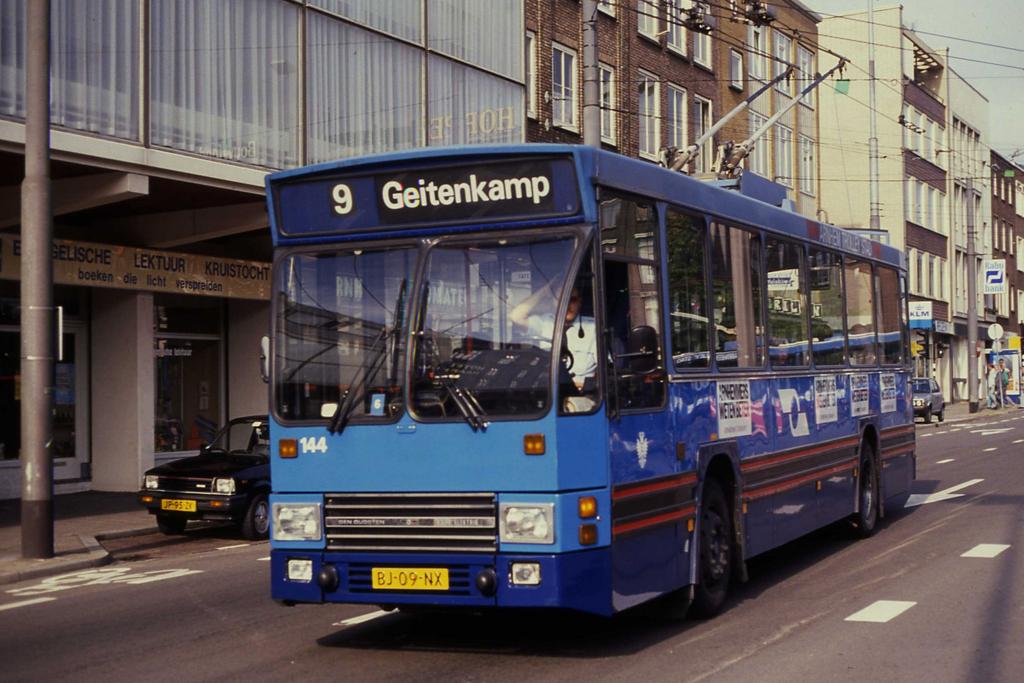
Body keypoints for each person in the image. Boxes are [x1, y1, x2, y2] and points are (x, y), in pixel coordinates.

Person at [511, 281, 598, 411]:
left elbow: (605, 372)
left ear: (580, 301)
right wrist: (547, 288)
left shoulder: (593, 328)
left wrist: (586, 385)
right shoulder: (543, 323)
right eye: (561, 299)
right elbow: (516, 316)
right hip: (546, 397)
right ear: (552, 302)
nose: (567, 305)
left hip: (581, 398)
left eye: (572, 300)